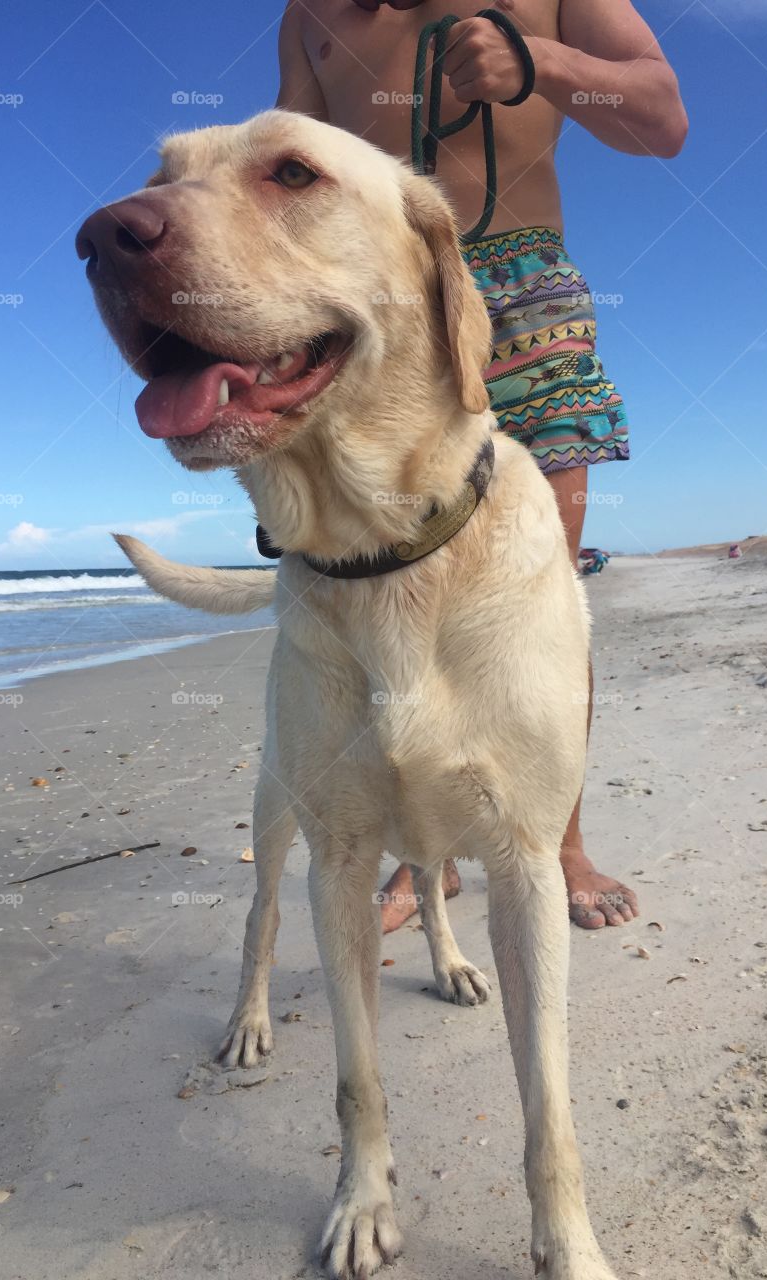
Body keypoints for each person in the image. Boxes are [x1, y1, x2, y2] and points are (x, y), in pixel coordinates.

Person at [276, 0, 687, 929]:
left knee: (545, 596)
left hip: (524, 290)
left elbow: (662, 118)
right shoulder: (310, 15)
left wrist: (539, 60)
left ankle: (557, 842)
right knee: (377, 595)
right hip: (385, 301)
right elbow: (288, 153)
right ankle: (424, 857)